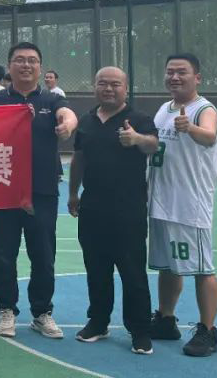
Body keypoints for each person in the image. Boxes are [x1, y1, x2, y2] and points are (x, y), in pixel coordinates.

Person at [0, 42, 78, 339]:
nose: (26, 65)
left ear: (40, 66)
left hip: (42, 190)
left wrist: (67, 125)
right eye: (20, 60)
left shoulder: (52, 99)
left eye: (32, 60)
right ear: (9, 65)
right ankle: (6, 310)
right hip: (3, 189)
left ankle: (42, 312)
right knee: (3, 254)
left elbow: (68, 115)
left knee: (43, 255)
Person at [67, 67, 158, 354]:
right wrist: (73, 193)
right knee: (96, 269)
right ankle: (98, 322)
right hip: (92, 208)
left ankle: (140, 330)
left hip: (128, 210)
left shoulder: (140, 120)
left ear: (126, 89)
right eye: (103, 83)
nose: (108, 89)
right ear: (94, 87)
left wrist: (137, 139)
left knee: (133, 272)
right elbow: (79, 159)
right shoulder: (87, 121)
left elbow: (153, 145)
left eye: (115, 84)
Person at [147, 53, 217, 358]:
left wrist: (189, 128)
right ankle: (166, 319)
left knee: (202, 268)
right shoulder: (164, 109)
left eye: (182, 72)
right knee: (168, 265)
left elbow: (209, 135)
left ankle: (208, 330)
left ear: (197, 77)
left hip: (190, 204)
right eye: (170, 72)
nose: (175, 77)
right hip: (161, 201)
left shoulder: (204, 109)